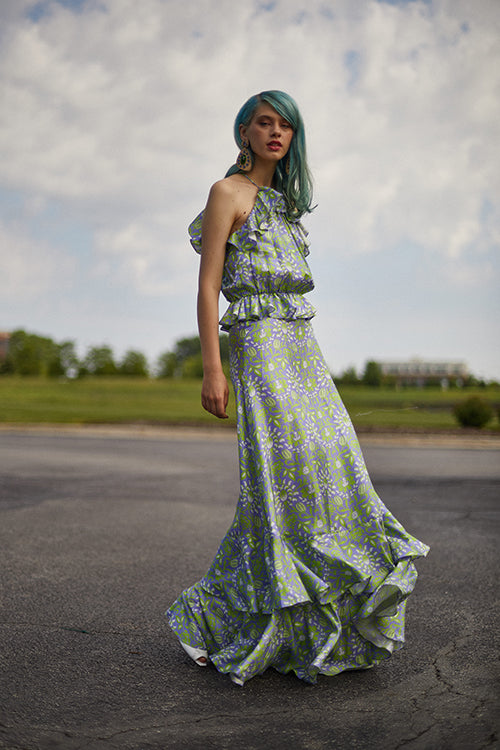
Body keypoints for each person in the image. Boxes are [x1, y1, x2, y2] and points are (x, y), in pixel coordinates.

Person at [165, 90, 429, 686]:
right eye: (265, 122)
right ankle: (210, 621)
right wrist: (214, 367)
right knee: (279, 483)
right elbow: (208, 287)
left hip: (302, 349)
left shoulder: (288, 207)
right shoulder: (226, 194)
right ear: (245, 131)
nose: (276, 132)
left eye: (286, 125)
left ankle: (312, 624)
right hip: (257, 348)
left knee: (332, 463)